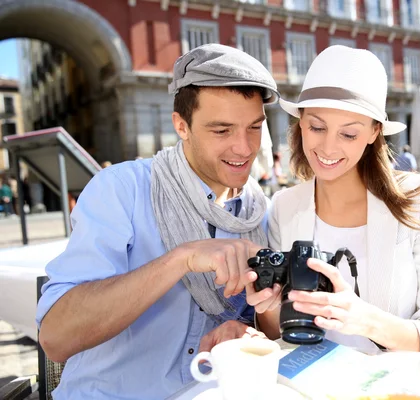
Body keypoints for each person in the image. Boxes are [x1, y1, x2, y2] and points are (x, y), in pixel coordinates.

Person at [36, 44, 280, 399]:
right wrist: (181, 259)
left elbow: (267, 329)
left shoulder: (262, 211)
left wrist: (248, 327)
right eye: (222, 131)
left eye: (254, 128)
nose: (244, 149)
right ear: (181, 126)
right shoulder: (121, 190)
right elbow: (56, 339)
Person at [247, 45, 420, 354]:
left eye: (348, 134)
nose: (329, 148)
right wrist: (266, 307)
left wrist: (364, 320)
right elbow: (275, 334)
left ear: (375, 132)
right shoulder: (284, 206)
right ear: (301, 124)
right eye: (317, 127)